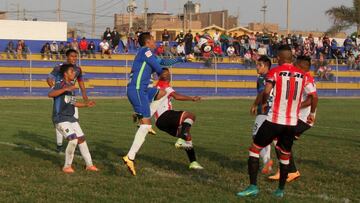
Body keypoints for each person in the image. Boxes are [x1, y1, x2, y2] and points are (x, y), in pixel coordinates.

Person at [237, 45, 317, 198]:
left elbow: (266, 91)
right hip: (292, 123)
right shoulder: (304, 75)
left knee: (254, 149)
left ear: (280, 58)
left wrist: (265, 102)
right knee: (285, 154)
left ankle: (253, 186)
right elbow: (314, 96)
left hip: (274, 119)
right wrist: (312, 113)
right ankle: (280, 190)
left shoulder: (275, 71)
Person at [123, 32, 192, 176]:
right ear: (148, 41)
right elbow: (160, 67)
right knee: (146, 125)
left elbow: (163, 62)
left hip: (142, 89)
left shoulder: (148, 54)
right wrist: (163, 73)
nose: (156, 42)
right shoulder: (145, 51)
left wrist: (182, 58)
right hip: (137, 90)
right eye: (153, 39)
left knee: (161, 93)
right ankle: (130, 157)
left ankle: (140, 114)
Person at [268, 55, 318, 182]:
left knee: (279, 139)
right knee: (282, 142)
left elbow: (311, 99)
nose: (293, 66)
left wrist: (296, 107)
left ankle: (289, 171)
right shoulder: (301, 76)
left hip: (303, 119)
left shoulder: (307, 78)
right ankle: (288, 171)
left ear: (302, 66)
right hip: (297, 117)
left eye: (295, 64)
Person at [48, 64, 98, 173]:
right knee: (73, 140)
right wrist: (65, 88)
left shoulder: (71, 86)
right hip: (60, 118)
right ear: (65, 74)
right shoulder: (60, 83)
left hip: (70, 117)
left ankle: (89, 165)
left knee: (81, 139)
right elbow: (50, 94)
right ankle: (67, 166)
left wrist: (86, 105)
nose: (74, 73)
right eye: (71, 71)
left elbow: (72, 103)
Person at [151, 69, 204, 170]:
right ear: (160, 76)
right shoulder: (165, 86)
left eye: (168, 73)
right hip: (165, 115)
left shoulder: (155, 88)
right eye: (165, 74)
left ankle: (193, 162)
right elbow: (177, 96)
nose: (168, 75)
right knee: (190, 116)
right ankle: (181, 139)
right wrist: (192, 99)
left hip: (159, 123)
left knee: (187, 136)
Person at [46, 49, 88, 152]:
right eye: (72, 56)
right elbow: (49, 78)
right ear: (67, 57)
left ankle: (77, 142)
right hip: (60, 96)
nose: (74, 58)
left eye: (75, 56)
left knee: (74, 119)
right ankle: (59, 145)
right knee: (61, 120)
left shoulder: (78, 69)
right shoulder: (59, 67)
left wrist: (84, 96)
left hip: (70, 97)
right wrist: (54, 89)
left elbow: (81, 82)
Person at [250, 55, 273, 175]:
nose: (257, 67)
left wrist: (255, 104)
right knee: (268, 139)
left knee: (256, 137)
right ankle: (268, 165)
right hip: (275, 111)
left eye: (259, 65)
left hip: (264, 110)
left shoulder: (261, 78)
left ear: (265, 65)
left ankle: (267, 162)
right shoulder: (274, 77)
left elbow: (263, 92)